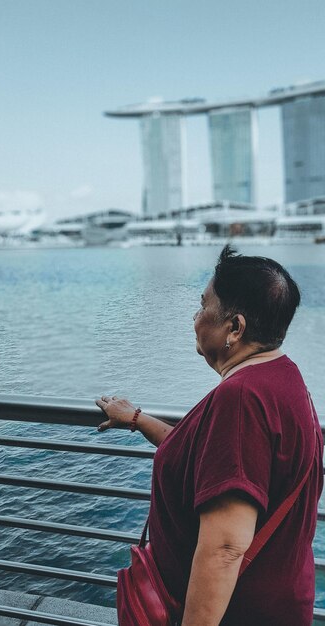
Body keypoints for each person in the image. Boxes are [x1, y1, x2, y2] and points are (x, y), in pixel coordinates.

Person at [96, 245, 323, 626]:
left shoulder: (241, 399)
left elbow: (225, 547)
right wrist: (137, 418)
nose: (195, 317)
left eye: (203, 306)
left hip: (238, 612)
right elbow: (213, 460)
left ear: (235, 327)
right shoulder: (284, 377)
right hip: (278, 600)